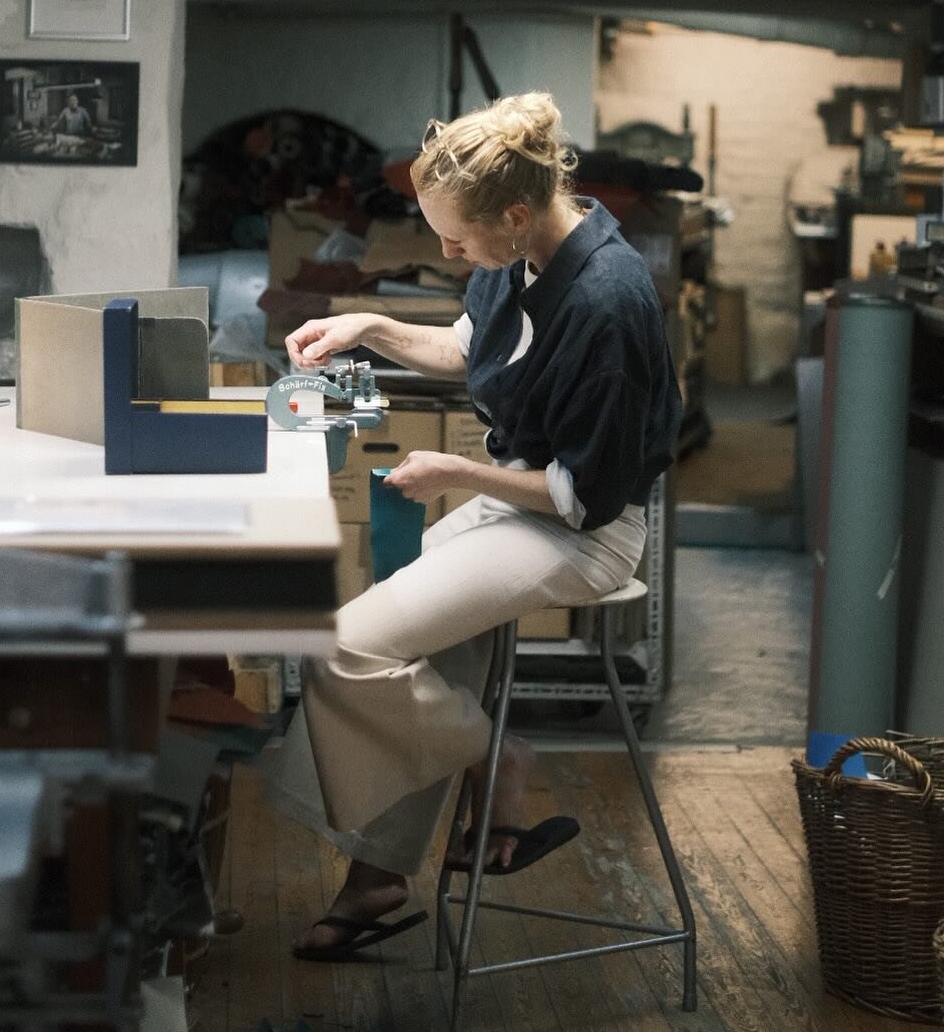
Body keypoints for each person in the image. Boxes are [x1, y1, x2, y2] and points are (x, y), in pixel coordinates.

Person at [265, 91, 682, 961]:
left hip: (584, 531)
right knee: (411, 657)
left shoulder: (606, 302)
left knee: (344, 645)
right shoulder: (524, 248)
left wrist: (456, 470)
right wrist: (370, 325)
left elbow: (581, 495)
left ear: (519, 212)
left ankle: (499, 761)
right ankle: (378, 875)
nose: (448, 253)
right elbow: (469, 346)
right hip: (521, 507)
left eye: (456, 239)